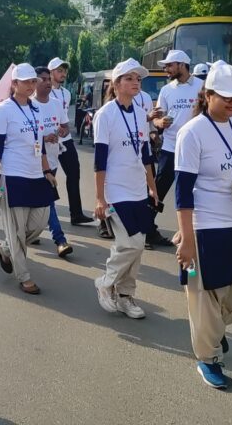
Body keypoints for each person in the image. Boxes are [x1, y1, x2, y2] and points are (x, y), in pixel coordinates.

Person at [173, 60, 232, 388]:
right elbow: (183, 193)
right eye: (226, 96)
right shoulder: (192, 133)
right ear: (208, 94)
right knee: (207, 294)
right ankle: (208, 357)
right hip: (206, 225)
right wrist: (187, 239)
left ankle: (209, 331)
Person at [92, 59, 158, 319]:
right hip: (116, 189)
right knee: (130, 244)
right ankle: (106, 281)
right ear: (116, 84)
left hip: (137, 189)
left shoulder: (141, 113)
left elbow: (145, 154)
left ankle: (125, 295)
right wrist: (99, 197)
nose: (136, 83)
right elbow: (99, 159)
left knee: (138, 245)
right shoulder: (105, 115)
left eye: (138, 79)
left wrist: (152, 188)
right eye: (129, 78)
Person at [0, 64, 57, 295]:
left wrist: (47, 171)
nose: (31, 85)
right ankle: (24, 276)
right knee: (16, 229)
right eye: (26, 81)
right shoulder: (4, 109)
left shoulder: (36, 109)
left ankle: (6, 248)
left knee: (39, 222)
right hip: (13, 175)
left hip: (36, 174)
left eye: (33, 81)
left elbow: (42, 145)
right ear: (14, 84)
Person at [150, 49, 203, 248]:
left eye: (169, 65)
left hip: (197, 148)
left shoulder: (202, 86)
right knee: (158, 189)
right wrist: (159, 122)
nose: (166, 69)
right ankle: (147, 229)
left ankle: (198, 229)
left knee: (197, 189)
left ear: (182, 65)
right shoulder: (166, 90)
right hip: (171, 147)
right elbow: (156, 117)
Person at [33, 66, 73, 257]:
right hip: (34, 162)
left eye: (49, 79)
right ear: (33, 82)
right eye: (43, 79)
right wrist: (43, 138)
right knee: (48, 200)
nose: (48, 82)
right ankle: (60, 239)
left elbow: (65, 126)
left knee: (39, 202)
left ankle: (29, 233)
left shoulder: (56, 104)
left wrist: (59, 133)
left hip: (53, 160)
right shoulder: (29, 105)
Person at [48, 57, 93, 226]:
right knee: (48, 176)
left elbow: (65, 118)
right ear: (51, 73)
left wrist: (64, 129)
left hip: (65, 139)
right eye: (59, 71)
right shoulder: (43, 92)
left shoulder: (66, 93)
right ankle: (43, 215)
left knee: (74, 173)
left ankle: (76, 214)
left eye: (64, 71)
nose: (63, 74)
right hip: (49, 141)